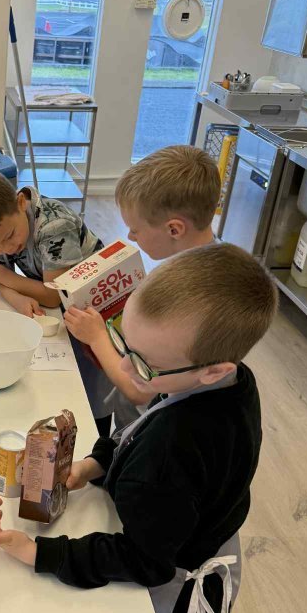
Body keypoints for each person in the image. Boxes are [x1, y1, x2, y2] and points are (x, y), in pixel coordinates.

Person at [0, 243, 278, 613]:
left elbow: (143, 561)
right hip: (210, 544)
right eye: (124, 344)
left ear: (213, 368)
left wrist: (40, 552)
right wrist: (95, 465)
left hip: (176, 578)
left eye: (143, 365)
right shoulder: (230, 382)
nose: (126, 371)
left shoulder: (167, 459)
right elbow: (142, 422)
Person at [64, 145, 221, 423]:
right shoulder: (209, 264)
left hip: (147, 424)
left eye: (135, 229)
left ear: (174, 229)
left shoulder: (188, 300)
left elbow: (140, 391)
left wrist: (97, 337)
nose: (130, 236)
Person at [0, 171, 113, 435]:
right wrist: (17, 297)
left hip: (101, 311)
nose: (5, 249)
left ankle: (101, 444)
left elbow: (53, 294)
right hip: (66, 313)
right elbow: (7, 283)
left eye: (8, 236)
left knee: (94, 393)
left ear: (20, 203)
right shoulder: (4, 231)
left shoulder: (54, 226)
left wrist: (1, 275)